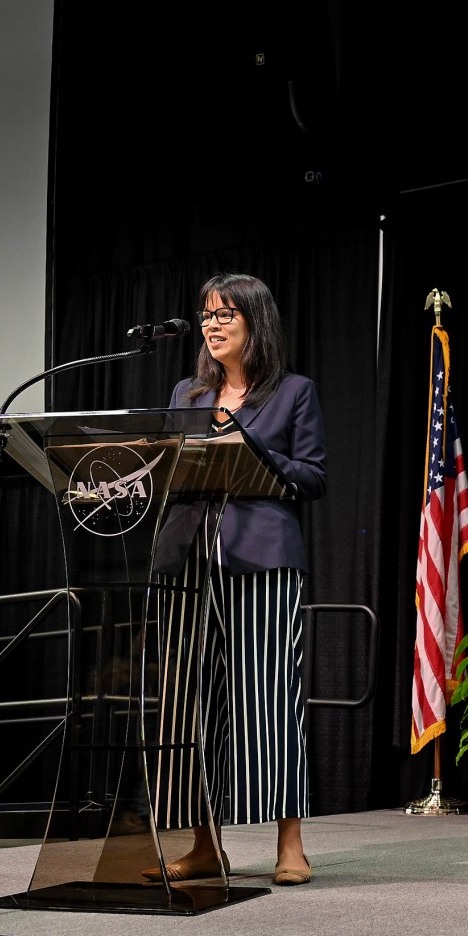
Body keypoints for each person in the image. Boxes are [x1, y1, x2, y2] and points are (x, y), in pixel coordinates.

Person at [146, 272, 326, 885]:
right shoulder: (187, 394)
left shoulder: (293, 393)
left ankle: (290, 847)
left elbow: (313, 476)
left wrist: (249, 448)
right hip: (189, 563)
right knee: (191, 707)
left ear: (256, 323)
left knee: (271, 702)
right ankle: (203, 844)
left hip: (263, 563)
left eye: (226, 314)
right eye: (206, 315)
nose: (213, 325)